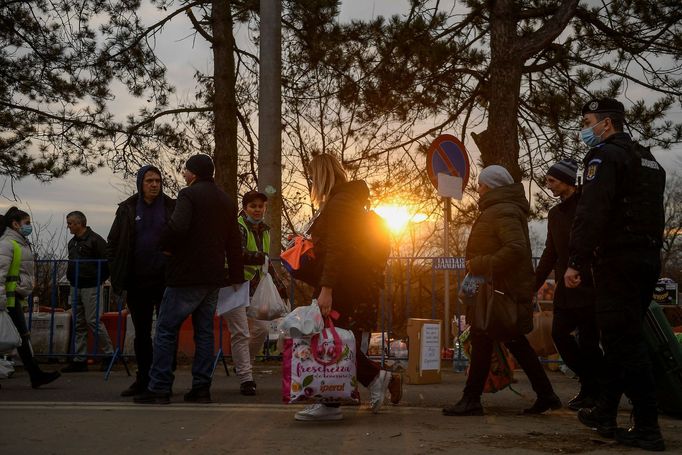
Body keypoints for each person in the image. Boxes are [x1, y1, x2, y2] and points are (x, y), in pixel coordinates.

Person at [565, 98, 666, 451]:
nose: (584, 128)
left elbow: (592, 211)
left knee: (624, 342)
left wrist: (576, 259)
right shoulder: (648, 160)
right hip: (647, 258)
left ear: (607, 124)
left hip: (617, 261)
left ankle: (648, 427)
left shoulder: (604, 157)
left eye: (588, 121)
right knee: (624, 339)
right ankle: (605, 411)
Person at [443, 165, 561, 416]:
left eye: (482, 184)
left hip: (498, 291)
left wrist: (481, 263)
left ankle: (471, 399)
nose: (478, 188)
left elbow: (516, 248)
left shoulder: (502, 210)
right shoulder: (500, 209)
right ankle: (546, 394)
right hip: (496, 289)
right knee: (512, 341)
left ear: (493, 186)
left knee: (485, 338)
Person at [294, 154, 401, 422]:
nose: (311, 182)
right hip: (350, 282)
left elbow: (338, 249)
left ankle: (333, 403)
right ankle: (374, 381)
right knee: (338, 341)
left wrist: (326, 287)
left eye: (312, 176)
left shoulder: (339, 204)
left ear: (321, 176)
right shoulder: (347, 201)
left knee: (330, 342)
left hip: (341, 284)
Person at [134, 154, 244, 405]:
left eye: (185, 171)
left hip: (186, 275)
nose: (184, 175)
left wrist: (165, 245)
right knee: (204, 332)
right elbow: (233, 240)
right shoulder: (226, 200)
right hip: (213, 276)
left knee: (165, 328)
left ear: (193, 174)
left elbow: (178, 226)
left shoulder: (189, 195)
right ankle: (201, 387)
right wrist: (236, 274)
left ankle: (160, 386)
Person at [535, 159, 603, 411]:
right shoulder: (555, 214)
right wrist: (535, 282)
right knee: (559, 334)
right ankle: (592, 382)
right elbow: (550, 252)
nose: (548, 185)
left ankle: (593, 390)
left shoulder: (586, 207)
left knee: (588, 340)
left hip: (587, 284)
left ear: (566, 181)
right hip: (565, 287)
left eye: (552, 181)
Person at [107, 165, 176, 396]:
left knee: (166, 333)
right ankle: (143, 379)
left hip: (166, 281)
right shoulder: (127, 208)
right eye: (149, 181)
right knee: (142, 334)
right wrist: (116, 271)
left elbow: (181, 238)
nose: (154, 184)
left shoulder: (171, 206)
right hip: (137, 281)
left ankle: (164, 378)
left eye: (157, 180)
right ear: (140, 183)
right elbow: (113, 242)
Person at [222, 190, 288, 396]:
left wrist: (279, 285)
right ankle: (246, 377)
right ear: (245, 208)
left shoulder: (265, 231)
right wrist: (260, 258)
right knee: (240, 332)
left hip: (254, 288)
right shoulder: (237, 227)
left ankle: (243, 365)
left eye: (261, 206)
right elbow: (237, 254)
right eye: (253, 206)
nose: (257, 210)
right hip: (232, 285)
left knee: (260, 329)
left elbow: (266, 262)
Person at [0, 207, 61, 388]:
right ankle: (36, 375)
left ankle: (36, 375)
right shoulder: (7, 244)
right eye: (27, 223)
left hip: (13, 298)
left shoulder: (19, 243)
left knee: (21, 338)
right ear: (15, 224)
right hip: (7, 300)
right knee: (20, 337)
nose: (29, 227)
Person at [62, 211, 113, 373]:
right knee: (79, 323)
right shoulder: (73, 243)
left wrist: (98, 279)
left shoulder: (95, 240)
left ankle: (109, 355)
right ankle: (80, 359)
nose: (68, 226)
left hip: (91, 285)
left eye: (70, 223)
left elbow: (107, 262)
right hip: (75, 285)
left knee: (93, 321)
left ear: (79, 223)